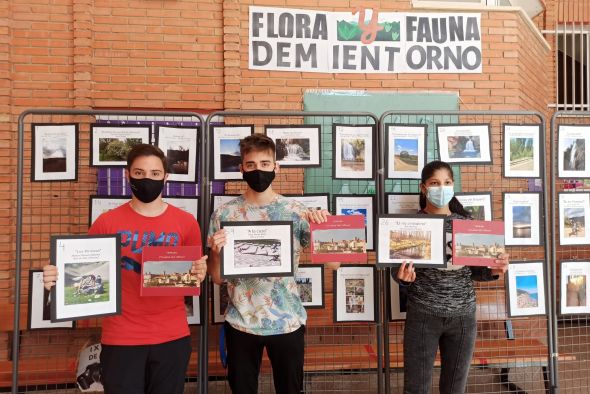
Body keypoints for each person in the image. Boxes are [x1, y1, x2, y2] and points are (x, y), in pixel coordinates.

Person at [43, 144, 208, 394]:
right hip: (121, 336)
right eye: (139, 173)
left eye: (154, 173)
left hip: (172, 336)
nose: (147, 179)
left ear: (166, 177)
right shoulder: (107, 222)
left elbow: (194, 274)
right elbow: (84, 271)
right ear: (127, 175)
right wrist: (58, 278)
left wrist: (200, 273)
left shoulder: (186, 223)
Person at [207, 134, 328, 394]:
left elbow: (335, 265)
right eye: (250, 165)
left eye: (264, 163)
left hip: (287, 321)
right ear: (241, 169)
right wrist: (216, 252)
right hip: (241, 322)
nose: (258, 170)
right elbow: (217, 278)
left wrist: (324, 231)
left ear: (276, 167)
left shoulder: (297, 211)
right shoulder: (224, 214)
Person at [395, 160, 510, 394]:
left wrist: (495, 269)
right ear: (423, 188)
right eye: (435, 183)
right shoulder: (410, 225)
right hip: (423, 316)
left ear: (453, 185)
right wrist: (403, 278)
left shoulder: (467, 225)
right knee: (416, 388)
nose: (441, 188)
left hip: (463, 318)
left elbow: (477, 271)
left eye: (446, 182)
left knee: (455, 389)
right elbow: (396, 272)